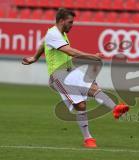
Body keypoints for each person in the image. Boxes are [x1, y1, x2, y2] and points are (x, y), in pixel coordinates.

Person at [22, 8, 129, 148]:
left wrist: (34, 57)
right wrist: (92, 56)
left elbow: (43, 43)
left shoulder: (58, 33)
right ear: (61, 21)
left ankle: (116, 109)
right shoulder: (53, 33)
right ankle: (88, 138)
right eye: (70, 22)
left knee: (94, 88)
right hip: (58, 76)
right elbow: (69, 51)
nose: (72, 25)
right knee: (81, 105)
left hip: (70, 70)